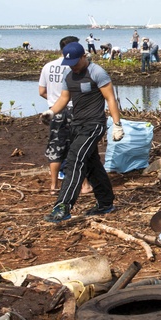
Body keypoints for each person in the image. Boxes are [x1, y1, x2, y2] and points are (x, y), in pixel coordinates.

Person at [40, 42, 124, 222]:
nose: (73, 66)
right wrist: (51, 112)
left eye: (76, 62)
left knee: (75, 159)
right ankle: (105, 203)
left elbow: (110, 98)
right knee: (92, 164)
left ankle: (63, 206)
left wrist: (117, 124)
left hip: (94, 124)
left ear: (84, 57)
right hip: (77, 125)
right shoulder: (68, 75)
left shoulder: (97, 72)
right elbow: (64, 98)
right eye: (70, 63)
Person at [39, 36, 79, 194]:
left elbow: (42, 91)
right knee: (76, 144)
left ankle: (54, 185)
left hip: (53, 112)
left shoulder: (48, 66)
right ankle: (80, 182)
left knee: (55, 145)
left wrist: (53, 103)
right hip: (74, 109)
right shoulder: (74, 66)